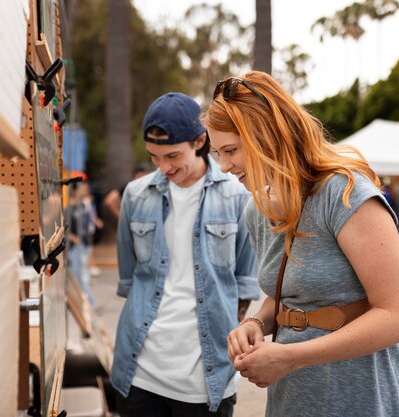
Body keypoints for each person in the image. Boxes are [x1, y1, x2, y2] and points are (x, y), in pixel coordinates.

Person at [203, 71, 399, 417]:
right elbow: (290, 292)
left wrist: (288, 357)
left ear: (268, 137)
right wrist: (255, 324)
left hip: (362, 400)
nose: (224, 167)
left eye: (231, 150)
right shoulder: (255, 211)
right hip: (294, 401)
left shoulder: (346, 194)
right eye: (217, 153)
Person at [110, 92, 260, 416]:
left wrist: (225, 347)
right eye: (154, 156)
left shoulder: (237, 196)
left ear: (200, 141)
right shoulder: (135, 196)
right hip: (140, 374)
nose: (163, 167)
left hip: (206, 379)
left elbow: (244, 285)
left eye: (173, 156)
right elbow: (130, 279)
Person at [67, 180, 99, 307]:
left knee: (82, 275)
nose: (84, 192)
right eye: (82, 189)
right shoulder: (68, 208)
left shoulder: (85, 206)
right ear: (75, 191)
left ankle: (86, 302)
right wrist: (72, 237)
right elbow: (62, 227)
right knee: (78, 275)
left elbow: (88, 226)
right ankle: (88, 303)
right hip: (75, 247)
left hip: (84, 245)